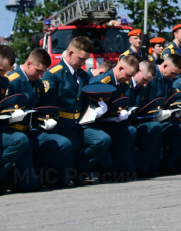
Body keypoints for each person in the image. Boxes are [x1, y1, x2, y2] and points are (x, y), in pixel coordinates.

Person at [40, 36, 112, 185]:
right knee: (63, 180)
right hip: (60, 125)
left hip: (79, 124)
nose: (83, 63)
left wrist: (96, 108)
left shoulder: (83, 75)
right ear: (71, 53)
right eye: (81, 59)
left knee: (102, 140)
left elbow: (85, 99)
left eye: (85, 59)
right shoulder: (53, 75)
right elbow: (48, 106)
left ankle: (79, 170)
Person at [3, 48, 72, 190]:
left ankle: (35, 171)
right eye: (38, 71)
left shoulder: (38, 84)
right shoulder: (12, 81)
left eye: (43, 72)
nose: (40, 75)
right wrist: (10, 118)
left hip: (32, 132)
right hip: (13, 132)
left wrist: (45, 120)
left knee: (63, 144)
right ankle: (9, 177)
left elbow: (38, 108)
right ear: (29, 63)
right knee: (29, 185)